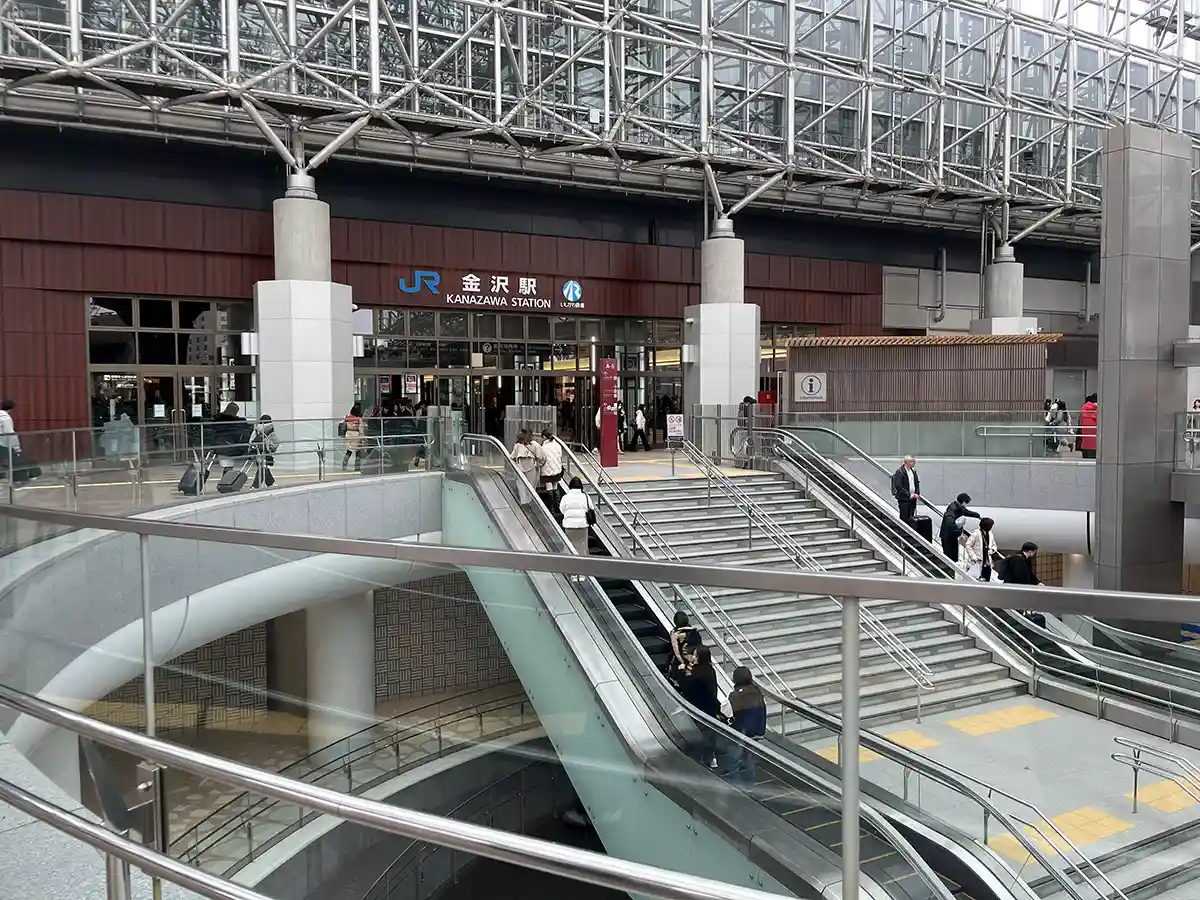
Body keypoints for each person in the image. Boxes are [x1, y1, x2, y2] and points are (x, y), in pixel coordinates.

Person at [679, 646, 720, 769]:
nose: (693, 658)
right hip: (710, 707)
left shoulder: (697, 673)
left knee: (700, 733)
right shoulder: (709, 670)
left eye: (696, 656)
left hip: (698, 708)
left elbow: (687, 688)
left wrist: (684, 672)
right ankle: (712, 758)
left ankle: (702, 760)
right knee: (710, 733)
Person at [727, 666, 767, 786]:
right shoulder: (757, 692)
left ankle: (736, 785)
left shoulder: (735, 695)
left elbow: (733, 714)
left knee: (734, 759)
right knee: (750, 759)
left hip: (740, 730)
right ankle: (750, 784)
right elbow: (762, 711)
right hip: (755, 731)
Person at [559, 476, 592, 579]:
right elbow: (591, 508)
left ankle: (572, 574)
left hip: (569, 527)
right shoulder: (585, 496)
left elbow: (562, 509)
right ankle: (582, 574)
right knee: (582, 548)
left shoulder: (565, 497)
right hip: (582, 526)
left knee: (571, 548)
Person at [939, 492, 980, 562]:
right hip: (948, 536)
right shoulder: (953, 509)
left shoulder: (957, 506)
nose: (966, 505)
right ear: (963, 501)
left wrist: (977, 515)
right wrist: (959, 533)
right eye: (966, 502)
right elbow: (950, 524)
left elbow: (966, 512)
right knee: (950, 556)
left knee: (953, 555)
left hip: (951, 535)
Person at [667, 611, 699, 686]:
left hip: (680, 661)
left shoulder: (675, 633)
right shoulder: (694, 631)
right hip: (694, 660)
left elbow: (676, 652)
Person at [250, 414, 279, 488]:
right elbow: (275, 443)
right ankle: (255, 486)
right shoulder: (271, 430)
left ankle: (270, 483)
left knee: (262, 468)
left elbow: (251, 441)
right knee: (263, 468)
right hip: (266, 452)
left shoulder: (256, 430)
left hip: (257, 452)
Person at [964, 517, 998, 581]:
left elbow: (994, 545)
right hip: (978, 560)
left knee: (987, 576)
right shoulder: (976, 534)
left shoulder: (990, 534)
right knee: (977, 577)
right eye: (990, 526)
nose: (991, 527)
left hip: (987, 561)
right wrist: (974, 557)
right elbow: (968, 545)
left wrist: (992, 550)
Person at [891, 455, 920, 525]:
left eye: (914, 461)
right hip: (904, 499)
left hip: (913, 498)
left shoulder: (913, 471)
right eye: (912, 461)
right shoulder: (900, 472)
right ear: (906, 462)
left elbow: (916, 483)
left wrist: (917, 493)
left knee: (912, 517)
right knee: (904, 517)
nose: (914, 463)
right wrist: (909, 494)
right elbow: (899, 486)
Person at [342, 403, 364, 471]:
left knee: (348, 451)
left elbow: (342, 425)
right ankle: (357, 467)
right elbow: (361, 430)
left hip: (348, 435)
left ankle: (344, 465)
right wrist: (362, 440)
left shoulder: (347, 416)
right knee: (358, 452)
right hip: (356, 436)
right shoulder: (358, 419)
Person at [1079, 394, 1098, 459]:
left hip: (1085, 441)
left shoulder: (1084, 408)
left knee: (1086, 462)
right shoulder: (1100, 409)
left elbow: (1081, 423)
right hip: (1097, 442)